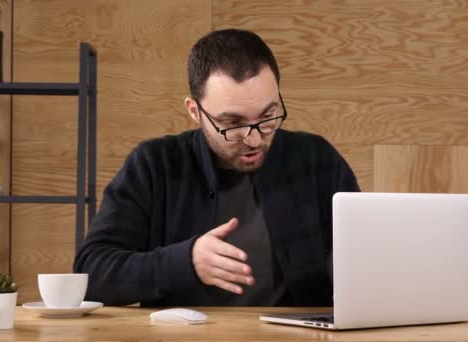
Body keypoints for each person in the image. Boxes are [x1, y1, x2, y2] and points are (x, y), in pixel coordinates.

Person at [73, 28, 360, 307]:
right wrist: (186, 261)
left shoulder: (316, 159)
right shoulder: (155, 164)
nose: (254, 139)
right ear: (195, 111)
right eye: (233, 124)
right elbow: (91, 274)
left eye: (268, 116)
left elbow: (364, 258)